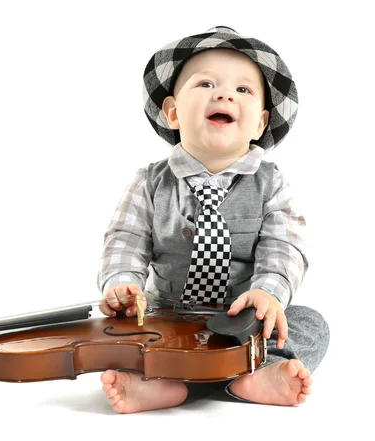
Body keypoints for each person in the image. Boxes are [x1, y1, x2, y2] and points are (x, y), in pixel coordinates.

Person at [97, 26, 329, 413]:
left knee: (312, 324)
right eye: (206, 83)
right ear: (172, 112)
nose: (224, 94)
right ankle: (160, 382)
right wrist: (122, 287)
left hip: (244, 323)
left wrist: (270, 292)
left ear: (259, 123)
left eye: (243, 90)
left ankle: (256, 374)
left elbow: (284, 245)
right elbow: (125, 239)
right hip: (166, 319)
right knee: (114, 336)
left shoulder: (272, 184)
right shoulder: (150, 182)